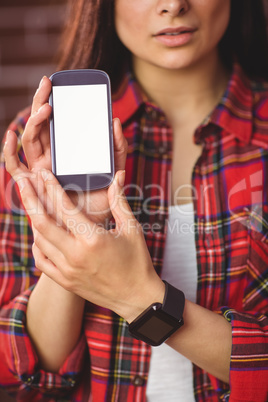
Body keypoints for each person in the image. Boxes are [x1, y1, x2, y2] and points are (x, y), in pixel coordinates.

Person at [1, 0, 268, 401]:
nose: (174, 5)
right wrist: (79, 228)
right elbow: (24, 373)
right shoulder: (42, 138)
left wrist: (138, 296)